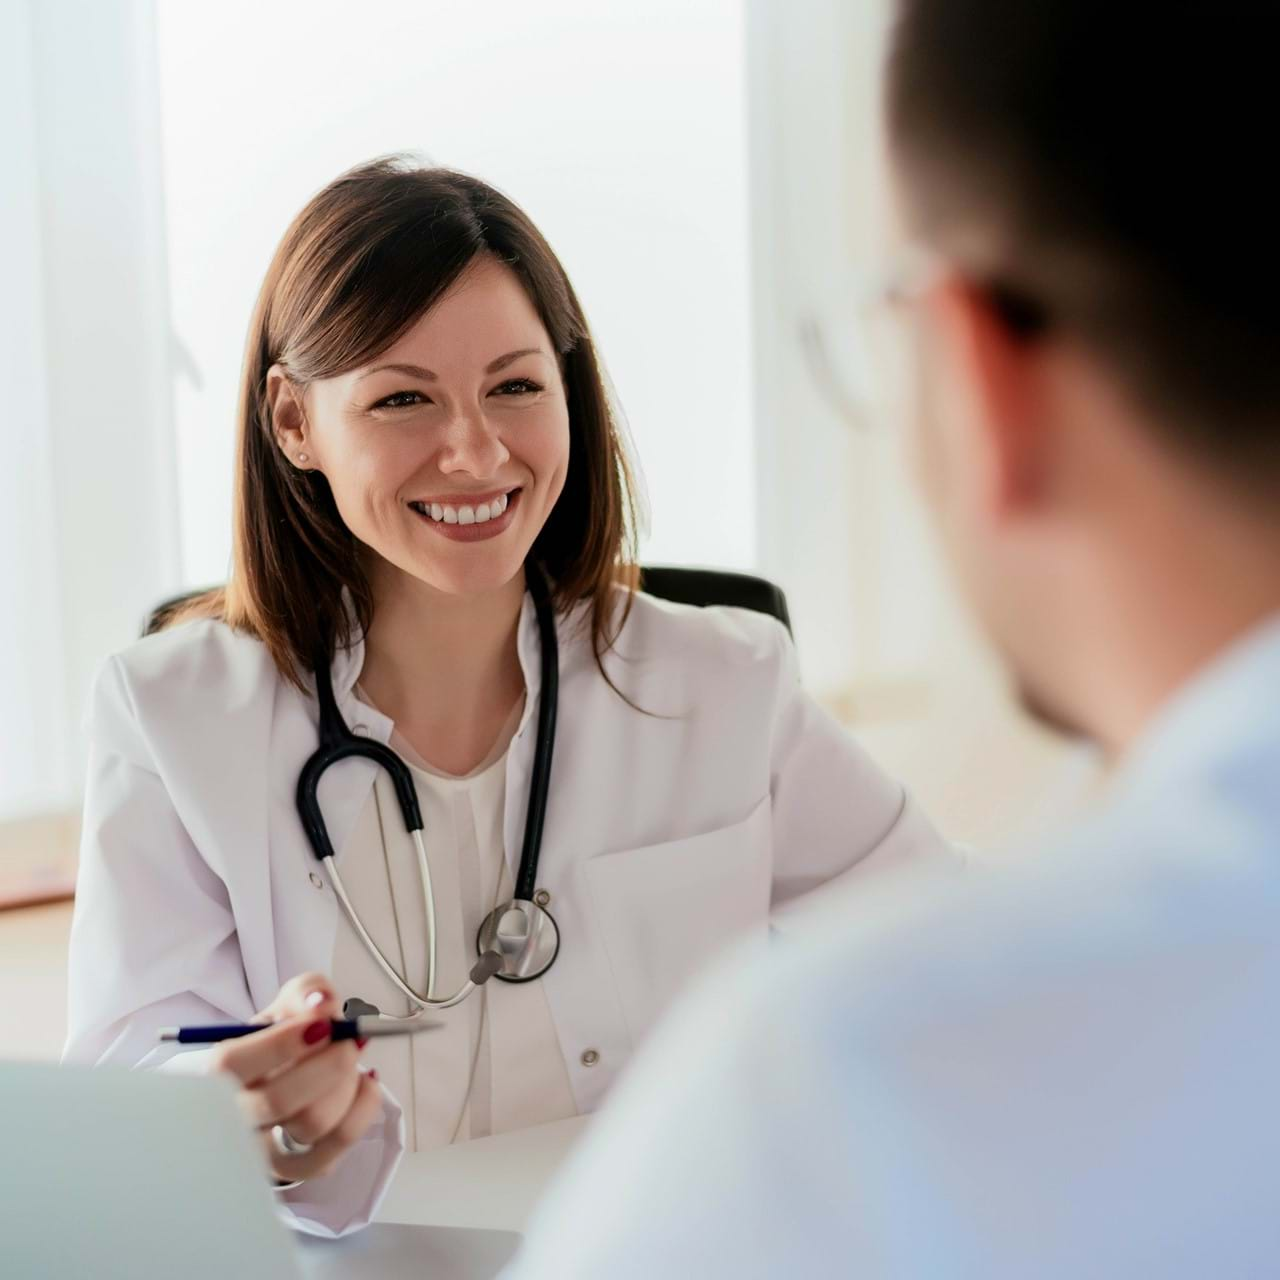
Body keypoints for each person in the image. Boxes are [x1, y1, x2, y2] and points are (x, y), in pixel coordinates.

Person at [503, 2, 1280, 1275]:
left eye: (519, 386)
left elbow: (933, 889)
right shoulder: (179, 703)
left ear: (976, 373)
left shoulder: (854, 1093)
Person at [62, 158, 954, 1237]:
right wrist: (249, 1108)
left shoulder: (724, 685)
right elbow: (132, 1072)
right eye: (402, 397)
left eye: (515, 385)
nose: (476, 451)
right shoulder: (172, 718)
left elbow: (951, 936)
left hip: (656, 1247)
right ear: (294, 422)